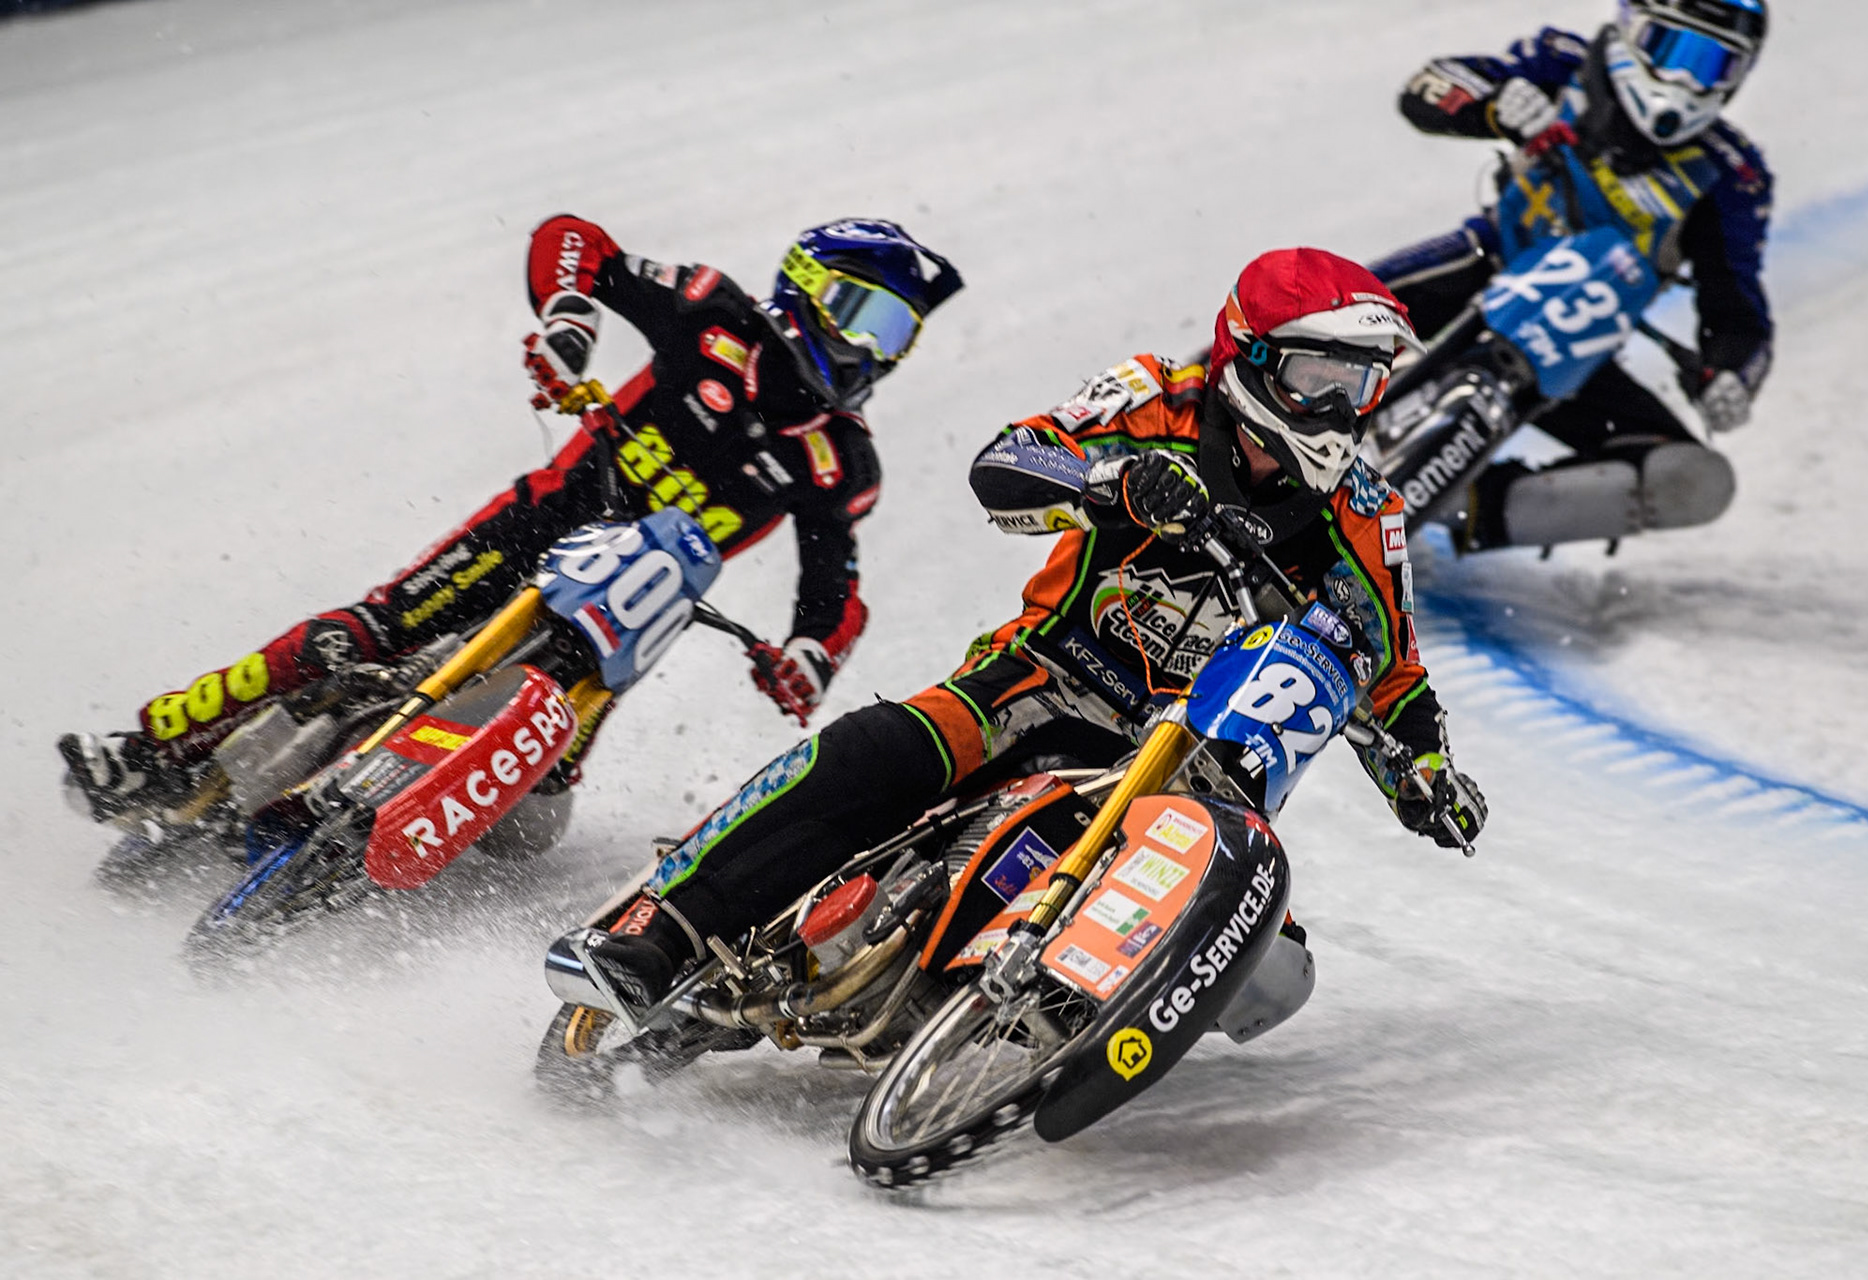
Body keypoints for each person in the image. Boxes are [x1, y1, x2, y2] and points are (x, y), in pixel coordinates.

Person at [584, 248, 1488, 1009]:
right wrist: (1112, 484)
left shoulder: (1369, 515)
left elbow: (1393, 671)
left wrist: (1427, 772)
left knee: (1276, 973)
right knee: (883, 749)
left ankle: (1044, 1024)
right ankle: (663, 929)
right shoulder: (1156, 398)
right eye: (1318, 380)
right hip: (1047, 677)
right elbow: (1010, 459)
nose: (1339, 411)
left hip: (1196, 757)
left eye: (1360, 385)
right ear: (1251, 358)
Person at [59, 216, 963, 828]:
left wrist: (810, 657)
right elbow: (572, 240)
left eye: (896, 334)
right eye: (863, 315)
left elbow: (835, 585)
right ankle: (146, 749)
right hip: (539, 524)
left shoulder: (841, 459)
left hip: (630, 611)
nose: (869, 348)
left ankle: (445, 811)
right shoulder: (709, 310)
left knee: (539, 812)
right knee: (359, 635)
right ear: (803, 287)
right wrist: (569, 322)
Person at [1371, 0, 1772, 551]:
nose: (1682, 79)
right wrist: (1493, 106)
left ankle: (1463, 504)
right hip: (1481, 266)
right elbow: (1428, 88)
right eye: (1668, 48)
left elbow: (1737, 307)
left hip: (1574, 350)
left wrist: (1729, 376)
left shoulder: (1730, 173)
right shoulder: (1566, 64)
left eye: (1711, 64)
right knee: (1316, 315)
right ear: (1631, 29)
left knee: (1689, 478)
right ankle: (1254, 421)